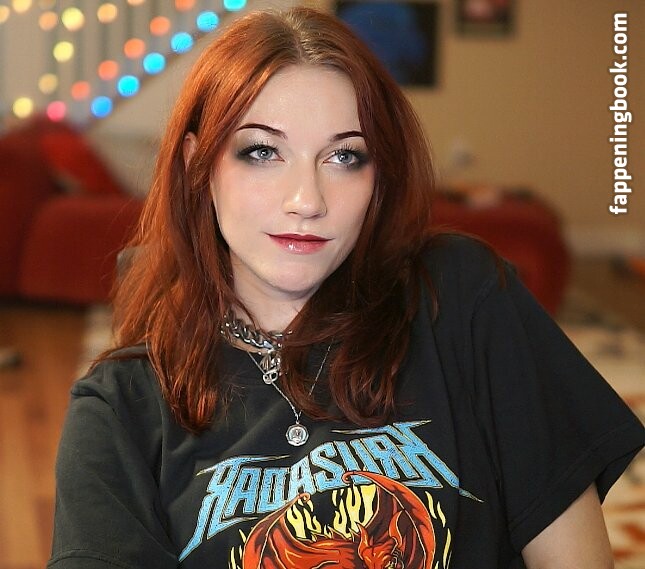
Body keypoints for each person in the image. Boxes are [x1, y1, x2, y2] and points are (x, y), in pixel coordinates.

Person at [48, 7, 643, 569]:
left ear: (378, 175)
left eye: (344, 157)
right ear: (197, 165)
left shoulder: (459, 296)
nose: (306, 200)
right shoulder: (120, 410)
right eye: (262, 152)